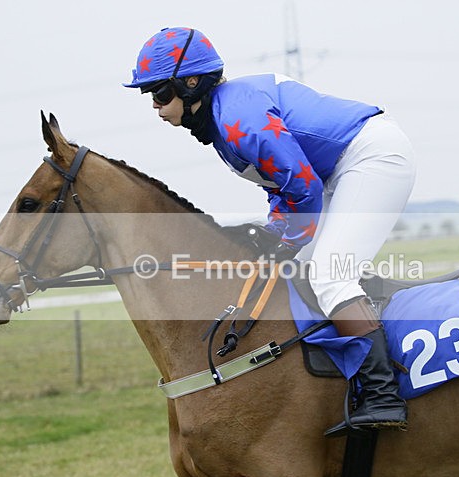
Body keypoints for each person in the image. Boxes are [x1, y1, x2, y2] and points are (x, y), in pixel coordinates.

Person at [124, 27, 416, 437]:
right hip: (339, 169)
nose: (156, 108)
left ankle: (383, 395)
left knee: (330, 274)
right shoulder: (224, 121)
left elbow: (304, 187)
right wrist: (274, 233)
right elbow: (284, 189)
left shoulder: (239, 121)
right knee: (299, 272)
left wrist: (284, 238)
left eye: (159, 94)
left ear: (191, 84)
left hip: (371, 159)